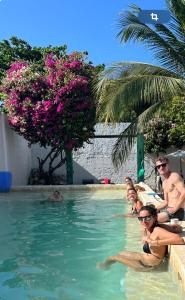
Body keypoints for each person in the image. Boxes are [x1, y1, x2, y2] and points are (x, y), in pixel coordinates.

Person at [97, 205, 184, 271]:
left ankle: (104, 267)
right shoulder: (150, 227)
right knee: (121, 253)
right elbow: (175, 229)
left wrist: (154, 242)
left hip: (147, 266)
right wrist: (173, 227)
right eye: (141, 218)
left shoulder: (157, 230)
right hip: (144, 258)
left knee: (114, 257)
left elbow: (179, 240)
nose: (143, 221)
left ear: (155, 217)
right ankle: (106, 266)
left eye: (147, 218)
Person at [155, 156, 185, 222]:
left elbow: (184, 192)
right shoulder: (164, 182)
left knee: (152, 220)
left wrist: (175, 208)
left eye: (163, 165)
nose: (161, 168)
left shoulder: (174, 176)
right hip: (168, 210)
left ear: (168, 165)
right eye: (158, 166)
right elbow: (166, 202)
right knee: (146, 216)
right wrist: (155, 208)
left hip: (177, 211)